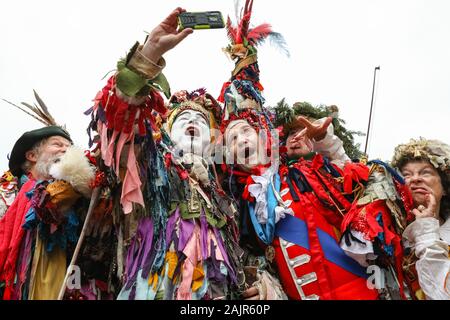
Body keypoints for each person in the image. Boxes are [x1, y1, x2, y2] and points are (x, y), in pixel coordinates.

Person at [0, 123, 96, 300]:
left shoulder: (85, 196)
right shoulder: (7, 196)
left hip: (74, 280)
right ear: (32, 156)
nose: (65, 150)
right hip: (20, 283)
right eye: (58, 144)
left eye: (69, 147)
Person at [392, 138, 450, 300]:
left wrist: (426, 230)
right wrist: (324, 140)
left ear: (444, 188)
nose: (415, 179)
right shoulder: (383, 230)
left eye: (425, 172)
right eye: (406, 175)